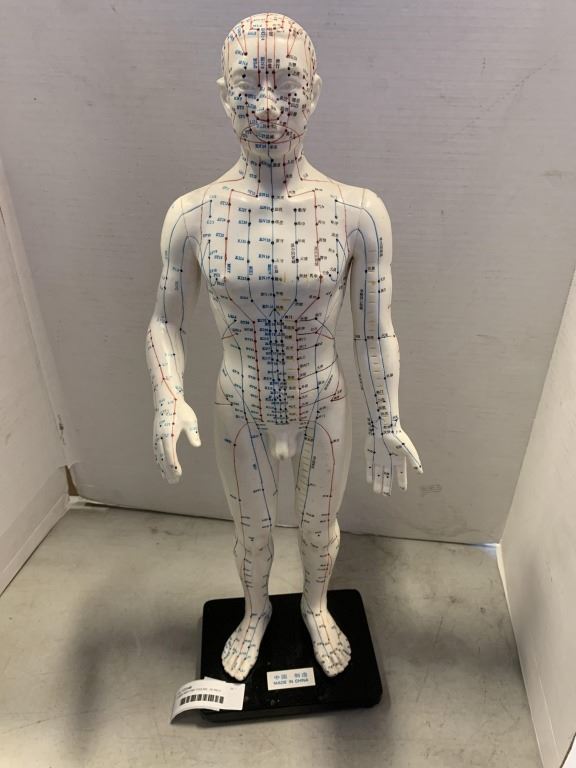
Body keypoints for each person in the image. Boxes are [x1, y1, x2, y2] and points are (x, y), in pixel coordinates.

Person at [146, 12, 422, 681]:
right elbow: (165, 322)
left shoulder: (357, 213)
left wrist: (386, 420)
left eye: (287, 83)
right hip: (237, 400)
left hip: (321, 397)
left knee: (320, 525)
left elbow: (374, 329)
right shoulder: (192, 215)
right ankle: (255, 609)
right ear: (224, 94)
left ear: (315, 91)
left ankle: (317, 605)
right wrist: (167, 396)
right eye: (248, 84)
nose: (268, 105)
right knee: (252, 529)